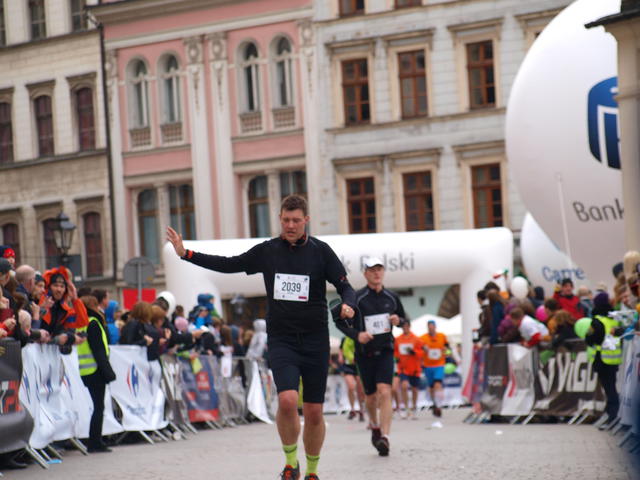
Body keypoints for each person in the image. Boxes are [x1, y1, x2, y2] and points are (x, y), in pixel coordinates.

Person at [167, 194, 356, 480]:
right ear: (279, 219)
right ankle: (291, 464)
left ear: (306, 220)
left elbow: (345, 287)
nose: (290, 225)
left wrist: (349, 305)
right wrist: (186, 254)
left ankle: (312, 471)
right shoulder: (268, 251)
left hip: (315, 339)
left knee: (314, 412)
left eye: (296, 220)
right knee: (288, 401)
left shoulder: (321, 251)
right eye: (286, 220)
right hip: (282, 339)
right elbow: (229, 264)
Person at [333, 257, 404, 456]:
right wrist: (357, 335)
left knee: (385, 391)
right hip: (365, 354)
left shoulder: (392, 297)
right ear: (365, 274)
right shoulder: (358, 298)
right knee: (370, 397)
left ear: (383, 272)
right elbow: (339, 322)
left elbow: (404, 319)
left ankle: (385, 437)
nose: (376, 273)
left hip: (386, 351)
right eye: (372, 270)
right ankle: (374, 425)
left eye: (379, 269)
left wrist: (398, 320)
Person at [77, 295, 116, 453]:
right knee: (99, 407)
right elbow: (98, 349)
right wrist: (108, 371)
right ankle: (95, 441)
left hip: (86, 370)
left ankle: (95, 440)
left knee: (96, 406)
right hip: (95, 370)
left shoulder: (82, 324)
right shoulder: (93, 323)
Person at [579, 292, 625, 424]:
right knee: (612, 386)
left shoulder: (597, 321)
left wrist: (589, 339)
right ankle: (612, 412)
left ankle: (612, 414)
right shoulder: (614, 319)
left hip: (602, 358)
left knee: (608, 388)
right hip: (614, 358)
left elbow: (591, 338)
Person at [39, 267, 88, 353]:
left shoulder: (63, 309)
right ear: (49, 288)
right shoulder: (41, 302)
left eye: (62, 286)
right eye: (55, 285)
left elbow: (82, 321)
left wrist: (75, 299)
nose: (59, 290)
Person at [394, 320, 423, 420]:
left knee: (414, 389)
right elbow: (395, 352)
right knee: (404, 386)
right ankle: (406, 408)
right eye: (403, 326)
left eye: (406, 326)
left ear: (409, 326)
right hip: (403, 368)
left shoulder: (416, 339)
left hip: (414, 368)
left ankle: (414, 408)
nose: (405, 328)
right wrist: (396, 358)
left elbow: (422, 352)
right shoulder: (398, 339)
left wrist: (414, 352)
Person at [420, 320, 449, 418]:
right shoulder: (423, 338)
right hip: (428, 366)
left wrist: (446, 350)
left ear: (435, 327)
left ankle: (439, 406)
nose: (431, 328)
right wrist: (423, 349)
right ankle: (435, 403)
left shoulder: (442, 336)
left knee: (438, 384)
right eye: (429, 327)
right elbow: (419, 349)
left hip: (439, 364)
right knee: (431, 387)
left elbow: (448, 348)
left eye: (432, 327)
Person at [338, 335, 365, 422]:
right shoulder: (345, 338)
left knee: (360, 390)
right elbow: (341, 349)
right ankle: (352, 409)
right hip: (348, 366)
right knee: (351, 387)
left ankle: (361, 409)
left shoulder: (360, 335)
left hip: (359, 365)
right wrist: (340, 356)